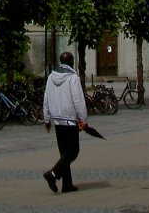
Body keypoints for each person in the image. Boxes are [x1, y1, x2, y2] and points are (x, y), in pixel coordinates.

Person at [42, 50, 88, 194]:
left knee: (64, 154)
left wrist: (47, 118)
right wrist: (83, 120)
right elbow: (78, 100)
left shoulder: (51, 77)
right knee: (73, 151)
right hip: (70, 120)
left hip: (57, 121)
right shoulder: (73, 78)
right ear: (72, 62)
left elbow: (46, 97)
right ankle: (53, 174)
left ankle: (67, 184)